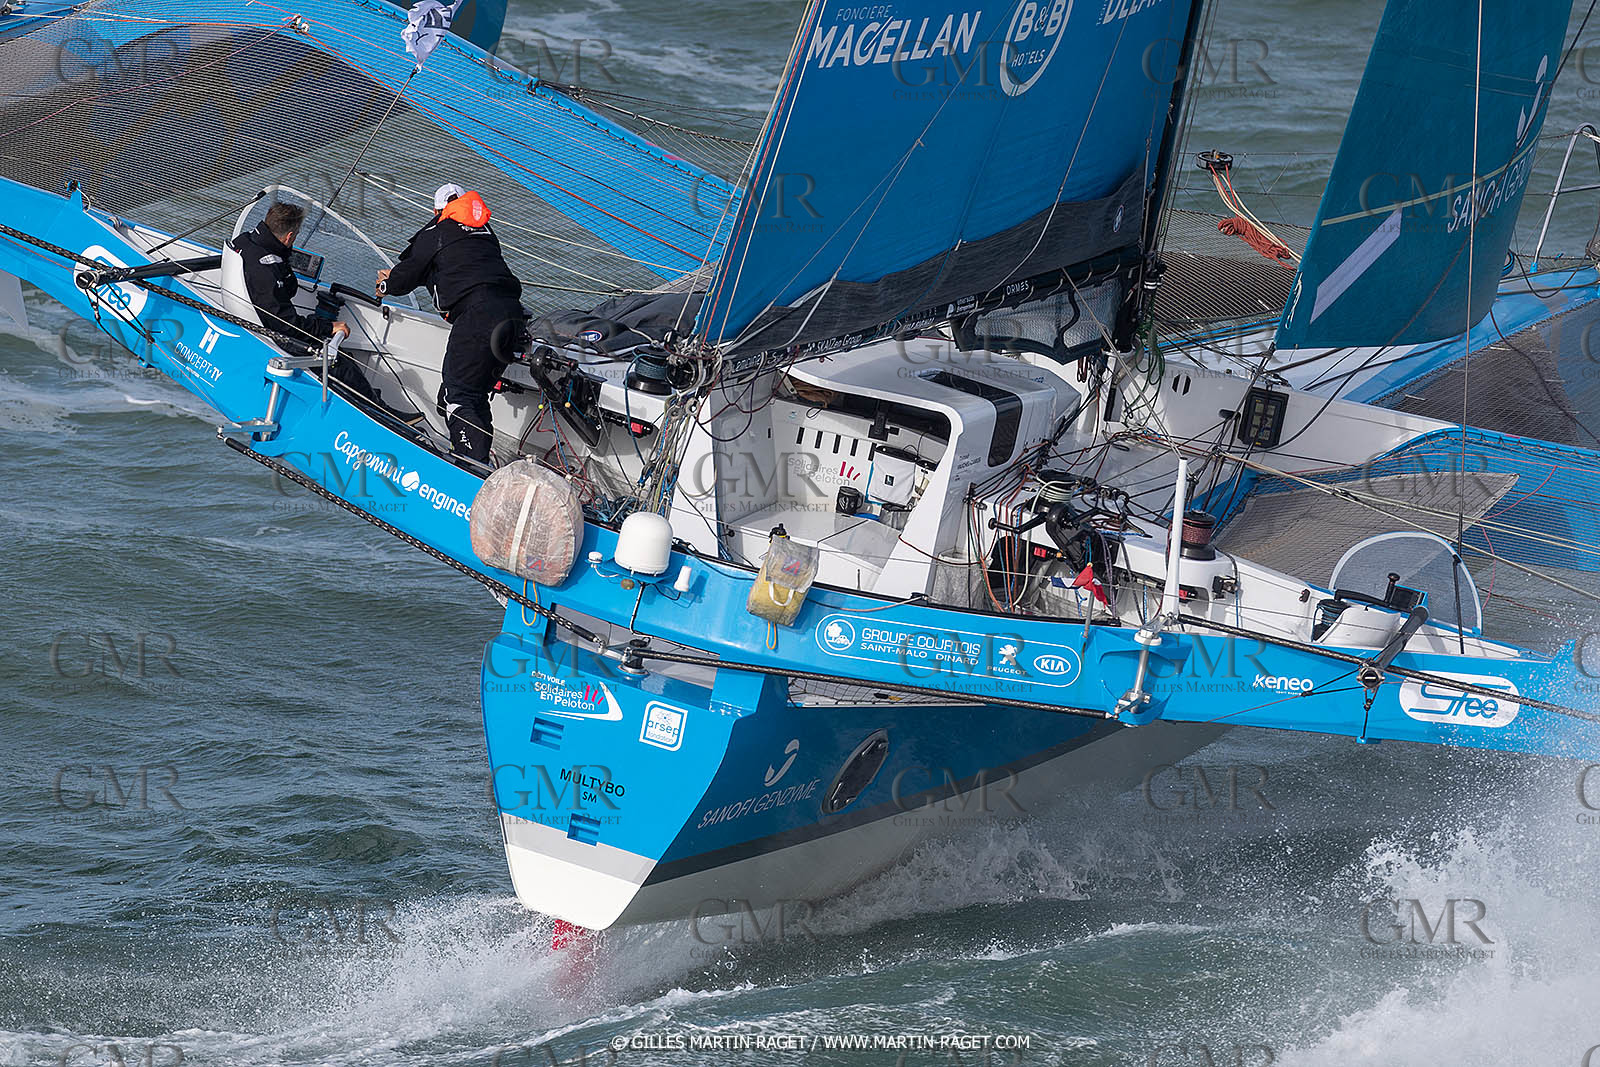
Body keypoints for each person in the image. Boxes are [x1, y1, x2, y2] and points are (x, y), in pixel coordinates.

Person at [232, 202, 420, 423]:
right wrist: (329, 327)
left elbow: (287, 294)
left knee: (340, 352)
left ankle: (371, 403)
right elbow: (285, 324)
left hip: (255, 319)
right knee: (340, 361)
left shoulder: (245, 241)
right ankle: (381, 416)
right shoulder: (266, 269)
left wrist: (283, 258)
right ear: (290, 236)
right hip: (276, 334)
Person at [378, 183, 524, 463]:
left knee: (457, 396)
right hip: (512, 315)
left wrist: (385, 285)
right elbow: (457, 267)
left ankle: (470, 467)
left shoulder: (437, 231)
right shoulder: (485, 231)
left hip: (478, 317)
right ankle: (478, 460)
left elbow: (406, 276)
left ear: (436, 211)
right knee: (472, 394)